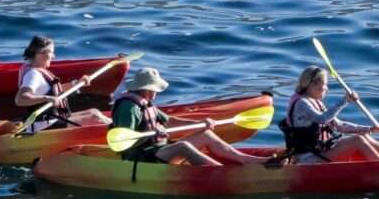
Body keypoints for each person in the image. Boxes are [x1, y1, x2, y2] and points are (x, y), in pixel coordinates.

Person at [110, 67, 267, 166]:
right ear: (148, 90)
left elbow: (170, 121)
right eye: (156, 89)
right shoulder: (129, 108)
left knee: (205, 134)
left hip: (159, 149)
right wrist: (150, 136)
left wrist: (200, 123)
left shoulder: (146, 103)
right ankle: (220, 171)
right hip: (143, 157)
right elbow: (126, 141)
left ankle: (246, 160)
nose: (157, 93)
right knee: (182, 147)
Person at [279, 65, 379, 163]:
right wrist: (344, 101)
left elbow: (340, 126)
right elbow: (322, 119)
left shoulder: (315, 102)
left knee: (364, 136)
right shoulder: (302, 103)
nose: (327, 88)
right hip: (308, 158)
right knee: (357, 140)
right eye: (324, 84)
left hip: (321, 152)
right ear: (313, 84)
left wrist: (370, 129)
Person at [14, 35, 111, 133]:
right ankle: (118, 131)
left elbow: (55, 90)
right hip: (43, 126)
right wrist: (47, 98)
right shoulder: (32, 74)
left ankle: (117, 128)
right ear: (40, 53)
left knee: (94, 112)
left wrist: (77, 83)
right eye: (51, 52)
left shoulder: (37, 71)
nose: (53, 56)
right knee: (94, 118)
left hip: (52, 119)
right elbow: (20, 99)